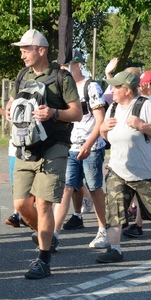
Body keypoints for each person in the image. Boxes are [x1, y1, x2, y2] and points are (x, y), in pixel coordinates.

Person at [5, 29, 81, 279]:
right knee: (21, 205)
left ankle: (43, 258)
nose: (22, 54)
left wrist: (54, 114)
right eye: (21, 50)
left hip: (55, 146)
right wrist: (10, 109)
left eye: (26, 49)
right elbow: (15, 101)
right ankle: (46, 236)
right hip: (26, 146)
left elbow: (77, 113)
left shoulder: (62, 77)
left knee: (44, 202)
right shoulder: (22, 75)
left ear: (42, 50)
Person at [97, 70, 151, 263]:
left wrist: (142, 125)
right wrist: (102, 129)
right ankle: (115, 248)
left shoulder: (146, 105)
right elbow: (108, 136)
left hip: (147, 171)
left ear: (127, 89)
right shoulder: (113, 108)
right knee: (113, 209)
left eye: (116, 87)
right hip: (119, 168)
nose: (112, 90)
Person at [51, 51, 108, 253]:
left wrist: (89, 144)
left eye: (67, 65)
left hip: (91, 146)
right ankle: (54, 234)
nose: (63, 70)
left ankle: (103, 229)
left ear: (78, 65)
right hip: (70, 146)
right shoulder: (62, 87)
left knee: (94, 188)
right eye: (61, 66)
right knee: (66, 188)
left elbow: (100, 120)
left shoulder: (90, 86)